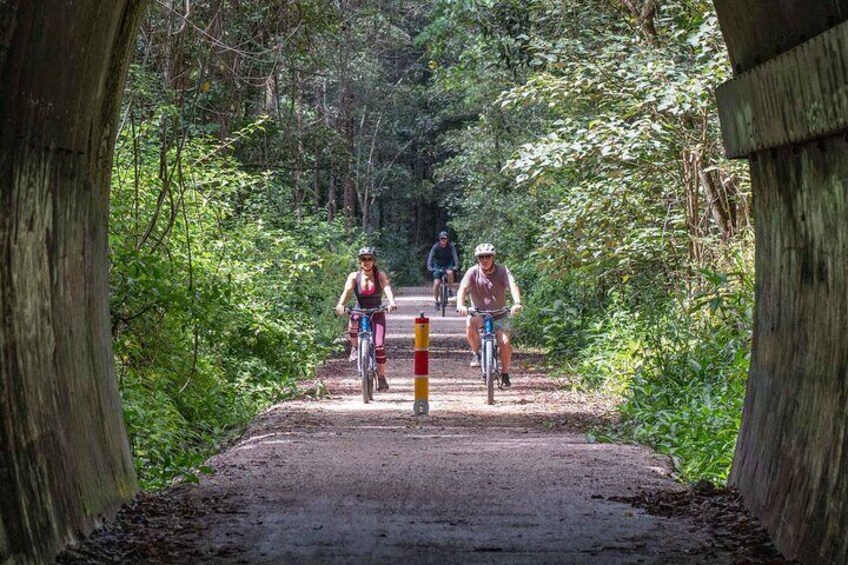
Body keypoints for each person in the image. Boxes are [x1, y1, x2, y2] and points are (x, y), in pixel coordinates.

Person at [456, 243, 522, 387]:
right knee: (469, 324)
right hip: (479, 313)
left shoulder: (503, 271)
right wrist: (460, 305)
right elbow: (462, 288)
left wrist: (517, 302)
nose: (484, 259)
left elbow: (513, 285)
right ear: (477, 259)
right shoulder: (472, 272)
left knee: (504, 342)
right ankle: (476, 354)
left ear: (493, 257)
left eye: (487, 256)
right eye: (481, 257)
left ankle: (504, 373)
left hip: (500, 314)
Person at [335, 247, 397, 391]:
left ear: (374, 261)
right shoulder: (353, 276)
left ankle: (381, 377)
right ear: (360, 261)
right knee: (353, 321)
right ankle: (356, 348)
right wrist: (340, 305)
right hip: (360, 309)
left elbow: (386, 288)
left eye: (369, 259)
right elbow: (347, 291)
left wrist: (391, 302)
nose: (367, 262)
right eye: (364, 259)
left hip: (377, 311)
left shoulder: (380, 275)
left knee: (379, 345)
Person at [426, 230, 460, 311]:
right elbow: (430, 256)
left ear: (447, 239)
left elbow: (455, 256)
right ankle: (436, 302)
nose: (443, 240)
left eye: (444, 238)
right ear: (439, 239)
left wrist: (456, 265)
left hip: (448, 264)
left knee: (450, 272)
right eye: (441, 239)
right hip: (437, 265)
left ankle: (450, 290)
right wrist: (429, 266)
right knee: (437, 283)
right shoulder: (436, 246)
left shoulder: (451, 246)